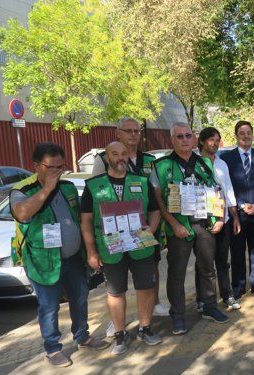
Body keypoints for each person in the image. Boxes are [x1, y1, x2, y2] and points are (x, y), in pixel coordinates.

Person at [10, 143, 108, 367]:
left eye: (60, 167)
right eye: (50, 167)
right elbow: (22, 213)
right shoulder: (22, 190)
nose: (56, 172)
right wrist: (47, 189)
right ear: (36, 166)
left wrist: (90, 251)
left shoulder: (68, 187)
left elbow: (79, 218)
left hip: (73, 257)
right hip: (43, 261)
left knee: (80, 297)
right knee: (49, 306)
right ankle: (53, 349)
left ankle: (82, 336)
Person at [151, 123, 236, 335]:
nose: (184, 139)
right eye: (179, 136)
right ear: (172, 140)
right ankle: (178, 315)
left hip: (204, 224)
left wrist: (219, 217)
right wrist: (173, 224)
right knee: (177, 273)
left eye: (188, 135)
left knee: (208, 269)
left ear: (194, 138)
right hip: (179, 226)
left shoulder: (204, 163)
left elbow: (217, 191)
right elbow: (158, 198)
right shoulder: (161, 166)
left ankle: (209, 306)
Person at [81, 142, 163, 355]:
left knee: (145, 288)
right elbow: (86, 221)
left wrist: (151, 230)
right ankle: (120, 333)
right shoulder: (92, 186)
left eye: (124, 154)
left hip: (140, 244)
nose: (120, 158)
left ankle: (145, 328)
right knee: (116, 292)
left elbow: (155, 211)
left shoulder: (142, 182)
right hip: (111, 248)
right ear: (107, 158)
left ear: (128, 157)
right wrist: (91, 251)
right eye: (115, 154)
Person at [91, 117, 168, 335]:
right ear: (118, 133)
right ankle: (116, 323)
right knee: (116, 283)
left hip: (142, 228)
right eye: (128, 131)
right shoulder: (103, 159)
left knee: (150, 267)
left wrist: (151, 228)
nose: (133, 134)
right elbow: (97, 192)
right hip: (113, 231)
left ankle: (154, 304)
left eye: (137, 131)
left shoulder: (148, 159)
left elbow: (155, 191)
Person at [221, 121, 254, 299]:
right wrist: (242, 204)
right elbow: (226, 186)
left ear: (253, 135)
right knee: (237, 251)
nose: (246, 136)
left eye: (249, 132)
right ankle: (239, 286)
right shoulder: (226, 158)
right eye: (242, 133)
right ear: (236, 135)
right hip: (237, 214)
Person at [196, 127, 241, 312]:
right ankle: (202, 299)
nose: (214, 143)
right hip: (201, 219)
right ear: (202, 142)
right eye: (210, 140)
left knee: (223, 260)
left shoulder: (222, 164)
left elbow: (228, 191)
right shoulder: (194, 163)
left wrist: (235, 216)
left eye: (217, 140)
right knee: (203, 263)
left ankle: (227, 295)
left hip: (223, 218)